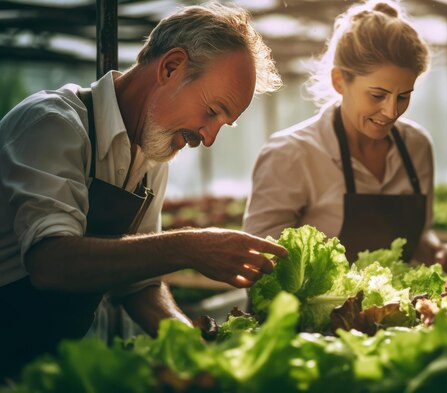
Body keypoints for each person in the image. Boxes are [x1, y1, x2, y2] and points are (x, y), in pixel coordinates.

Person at [0, 2, 287, 379]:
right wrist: (189, 246)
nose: (209, 137)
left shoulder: (152, 158)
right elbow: (50, 263)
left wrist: (197, 352)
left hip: (47, 366)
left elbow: (138, 285)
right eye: (213, 111)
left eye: (225, 124)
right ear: (171, 67)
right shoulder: (53, 124)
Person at [243, 0, 447, 270]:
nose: (391, 111)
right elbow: (258, 262)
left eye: (403, 96)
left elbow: (418, 237)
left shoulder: (417, 145)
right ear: (339, 81)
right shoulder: (291, 153)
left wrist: (436, 251)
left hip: (390, 312)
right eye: (377, 95)